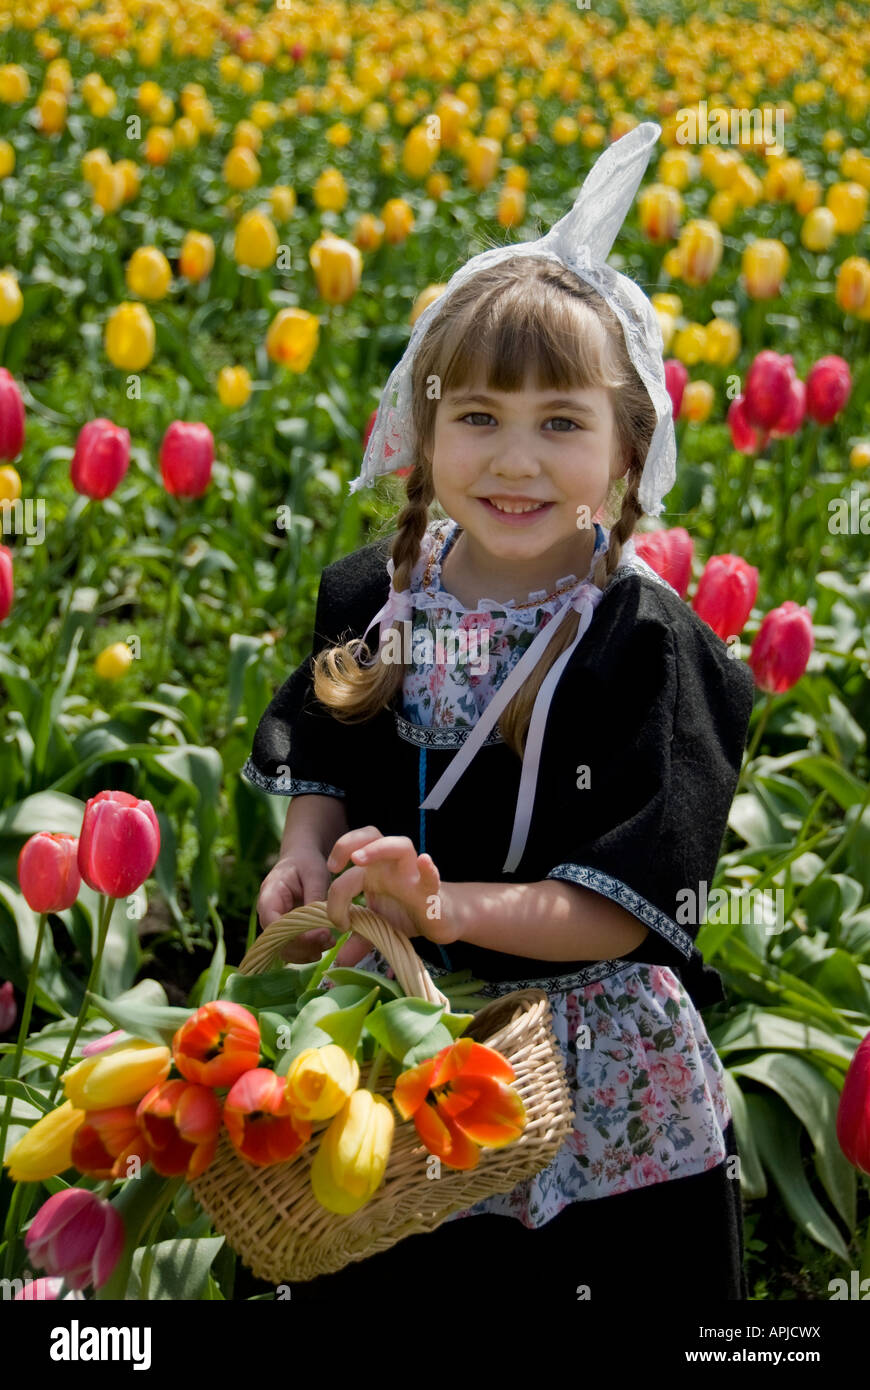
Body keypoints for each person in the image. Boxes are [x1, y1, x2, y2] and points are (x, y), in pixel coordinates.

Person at [243, 123, 754, 1302]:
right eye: (476, 416)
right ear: (421, 429)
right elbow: (328, 743)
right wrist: (305, 852)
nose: (514, 462)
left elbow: (620, 911)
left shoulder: (643, 645)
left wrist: (445, 903)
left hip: (583, 1063)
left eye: (561, 423)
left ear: (630, 447)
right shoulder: (378, 594)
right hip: (387, 1019)